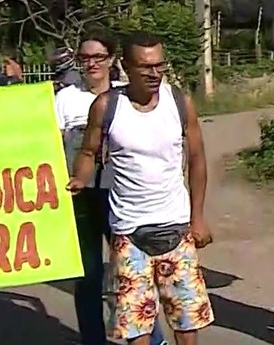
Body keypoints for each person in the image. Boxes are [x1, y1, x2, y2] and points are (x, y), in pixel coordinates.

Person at [68, 32, 213, 345]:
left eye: (159, 65)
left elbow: (198, 159)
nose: (154, 73)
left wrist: (198, 217)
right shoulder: (106, 106)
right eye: (145, 66)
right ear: (125, 66)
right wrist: (79, 179)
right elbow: (89, 152)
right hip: (128, 232)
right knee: (137, 325)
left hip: (176, 227)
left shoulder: (179, 102)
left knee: (186, 319)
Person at [56, 34, 168, 345]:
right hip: (79, 195)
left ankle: (153, 338)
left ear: (111, 59)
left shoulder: (124, 95)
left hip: (121, 195)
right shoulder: (65, 98)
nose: (91, 64)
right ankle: (93, 339)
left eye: (98, 57)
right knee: (88, 274)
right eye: (85, 58)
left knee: (132, 272)